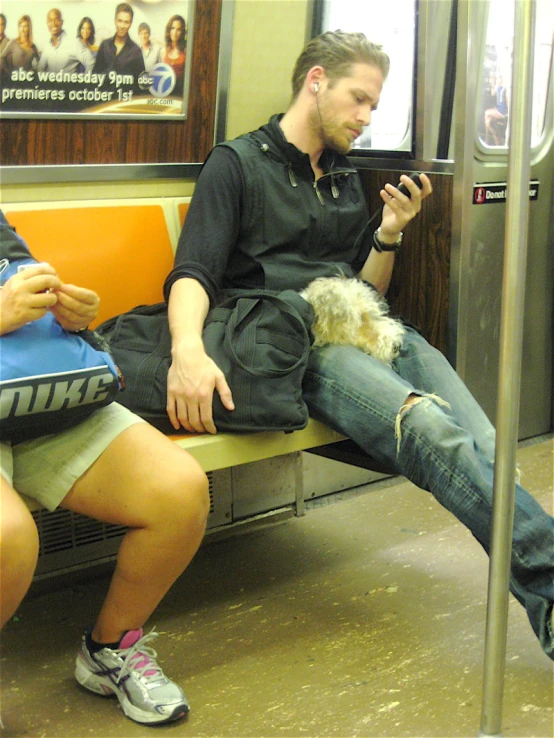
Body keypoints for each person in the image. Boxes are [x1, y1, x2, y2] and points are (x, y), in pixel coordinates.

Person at [163, 30, 554, 661]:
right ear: (315, 81)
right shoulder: (236, 164)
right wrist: (187, 349)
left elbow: (360, 291)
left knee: (481, 436)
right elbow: (193, 273)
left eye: (375, 105)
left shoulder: (343, 178)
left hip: (358, 326)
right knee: (431, 428)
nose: (366, 118)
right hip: (288, 343)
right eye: (359, 100)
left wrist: (390, 234)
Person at [0, 221, 210, 725]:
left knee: (179, 492)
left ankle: (110, 647)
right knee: (7, 537)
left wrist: (70, 319)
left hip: (37, 401)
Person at [94, 2, 145, 91]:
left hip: (124, 101)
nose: (122, 26)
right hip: (103, 100)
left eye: (126, 22)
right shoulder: (104, 45)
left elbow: (141, 84)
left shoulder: (136, 51)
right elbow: (94, 76)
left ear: (131, 24)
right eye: (120, 21)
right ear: (115, 21)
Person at [37, 8, 94, 75]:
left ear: (62, 22)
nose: (53, 23)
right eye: (50, 20)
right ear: (47, 24)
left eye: (57, 19)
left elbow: (91, 62)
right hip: (50, 85)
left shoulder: (73, 42)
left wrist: (84, 82)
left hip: (68, 85)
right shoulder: (47, 46)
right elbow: (40, 69)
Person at [161, 14, 186, 91]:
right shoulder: (163, 50)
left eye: (178, 29)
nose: (175, 32)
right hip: (166, 91)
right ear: (169, 29)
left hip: (180, 91)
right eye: (173, 28)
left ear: (182, 32)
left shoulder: (186, 51)